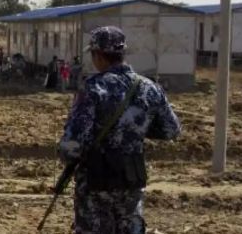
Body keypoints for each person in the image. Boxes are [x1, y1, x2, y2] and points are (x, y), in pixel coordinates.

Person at [59, 26, 181, 233]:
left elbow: (73, 145)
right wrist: (136, 129)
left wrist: (66, 155)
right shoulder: (149, 87)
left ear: (98, 55)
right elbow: (171, 130)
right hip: (131, 177)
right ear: (122, 53)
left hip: (96, 181)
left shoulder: (93, 88)